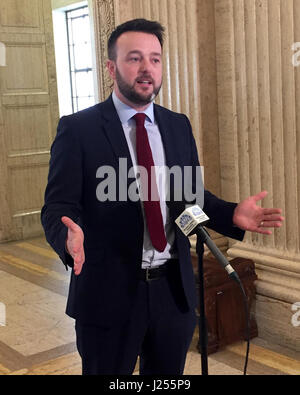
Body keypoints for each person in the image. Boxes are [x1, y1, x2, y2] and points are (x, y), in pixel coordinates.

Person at [41, 19, 284, 375]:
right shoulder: (78, 130)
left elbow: (190, 196)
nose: (146, 69)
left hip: (172, 294)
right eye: (134, 58)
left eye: (155, 59)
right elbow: (58, 206)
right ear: (111, 67)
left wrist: (232, 214)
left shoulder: (176, 124)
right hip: (107, 295)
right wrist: (67, 236)